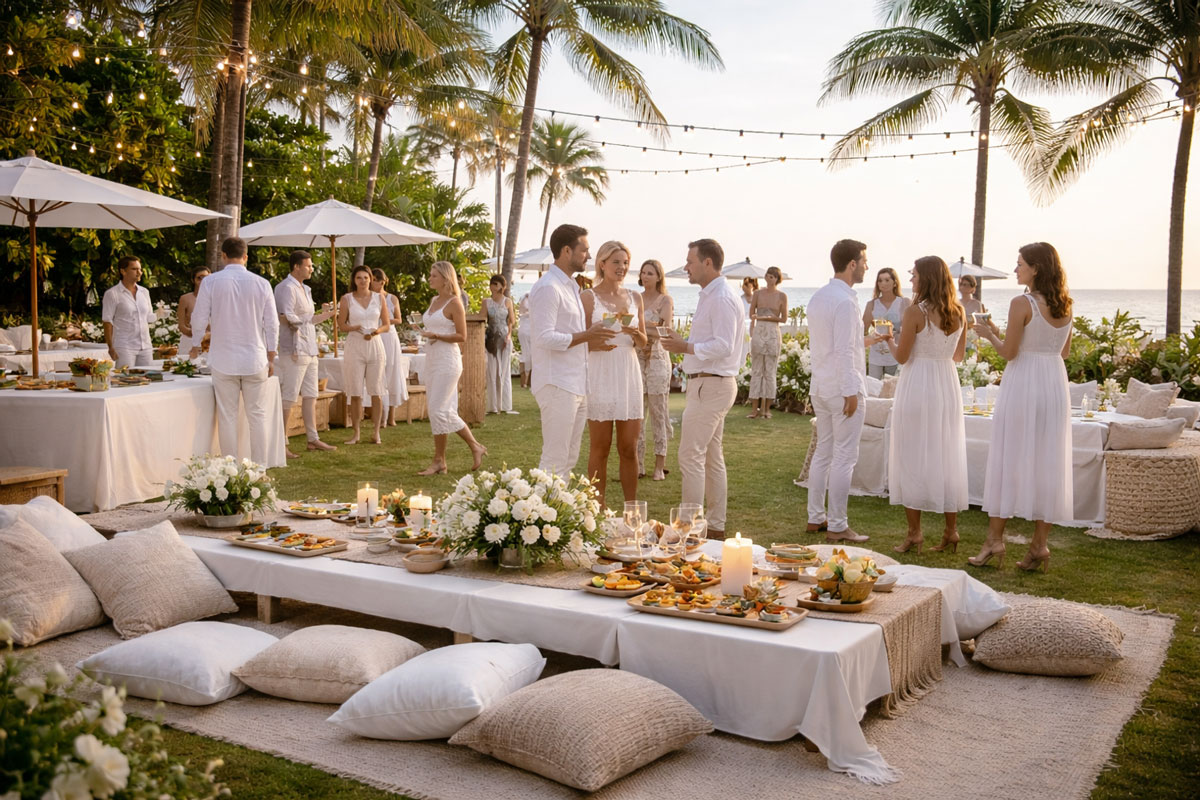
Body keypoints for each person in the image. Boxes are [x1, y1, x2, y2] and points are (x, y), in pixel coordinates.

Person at [970, 243, 1074, 573]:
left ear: (1036, 269)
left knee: (1008, 457)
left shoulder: (1021, 302)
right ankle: (1039, 546)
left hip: (1023, 385)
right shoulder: (1067, 305)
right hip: (1053, 386)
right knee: (1048, 462)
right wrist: (999, 332)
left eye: (1020, 265)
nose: (1015, 270)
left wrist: (987, 335)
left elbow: (1010, 353)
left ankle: (994, 541)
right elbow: (1063, 352)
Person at [884, 256, 968, 554]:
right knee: (947, 454)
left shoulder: (914, 312)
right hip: (946, 385)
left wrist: (889, 340)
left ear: (927, 279)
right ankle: (951, 531)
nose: (911, 280)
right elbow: (958, 357)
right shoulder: (959, 312)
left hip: (918, 385)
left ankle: (915, 533)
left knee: (912, 453)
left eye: (915, 275)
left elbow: (902, 357)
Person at [660, 239, 744, 539]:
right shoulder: (711, 295)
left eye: (690, 261)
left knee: (690, 455)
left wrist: (684, 346)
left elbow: (723, 345)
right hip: (710, 382)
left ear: (707, 263)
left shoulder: (721, 297)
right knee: (710, 455)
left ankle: (688, 526)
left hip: (712, 384)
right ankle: (716, 525)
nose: (686, 267)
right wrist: (681, 341)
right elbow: (714, 341)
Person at [805, 238, 882, 543]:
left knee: (823, 453)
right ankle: (837, 524)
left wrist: (868, 342)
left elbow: (836, 345)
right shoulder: (846, 302)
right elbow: (842, 352)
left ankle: (815, 517)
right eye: (864, 261)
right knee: (844, 457)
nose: (866, 266)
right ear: (852, 264)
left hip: (820, 387)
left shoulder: (818, 298)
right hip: (841, 388)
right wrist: (852, 391)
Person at [529, 224, 616, 477]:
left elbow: (573, 336)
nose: (589, 256)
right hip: (557, 382)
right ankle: (544, 516)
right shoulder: (548, 287)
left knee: (569, 457)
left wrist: (594, 339)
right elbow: (544, 337)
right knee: (555, 457)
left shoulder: (571, 287)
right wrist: (587, 335)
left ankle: (560, 514)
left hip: (576, 382)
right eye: (585, 250)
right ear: (566, 251)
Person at [189, 237, 278, 465]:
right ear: (246, 256)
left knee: (227, 416)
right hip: (254, 357)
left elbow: (198, 317)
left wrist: (196, 343)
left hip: (223, 358)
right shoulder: (261, 283)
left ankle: (230, 468)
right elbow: (272, 323)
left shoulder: (210, 282)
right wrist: (271, 353)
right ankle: (260, 469)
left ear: (223, 255)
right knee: (257, 415)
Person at [582, 241, 647, 509]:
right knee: (600, 446)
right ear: (602, 263)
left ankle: (631, 510)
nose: (622, 267)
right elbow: (583, 340)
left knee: (629, 447)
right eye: (616, 262)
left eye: (625, 263)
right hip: (600, 371)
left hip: (628, 372)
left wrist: (635, 333)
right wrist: (600, 336)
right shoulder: (588, 297)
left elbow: (642, 341)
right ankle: (597, 510)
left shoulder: (635, 297)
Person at [417, 260, 487, 474]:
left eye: (434, 275)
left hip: (448, 360)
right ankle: (440, 461)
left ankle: (475, 445)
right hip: (432, 358)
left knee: (439, 410)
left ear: (446, 279)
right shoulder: (433, 300)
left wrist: (437, 335)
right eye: (430, 274)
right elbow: (434, 325)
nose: (430, 278)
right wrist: (423, 330)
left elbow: (462, 336)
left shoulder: (455, 303)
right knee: (438, 409)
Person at [275, 250, 337, 457]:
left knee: (311, 394)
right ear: (296, 267)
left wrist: (326, 314)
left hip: (310, 348)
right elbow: (286, 316)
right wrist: (304, 319)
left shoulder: (306, 289)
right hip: (293, 348)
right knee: (289, 396)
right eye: (309, 265)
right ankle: (280, 443)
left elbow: (307, 319)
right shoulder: (285, 288)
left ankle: (313, 438)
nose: (312, 268)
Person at [337, 265, 389, 445]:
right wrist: (355, 328)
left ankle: (376, 432)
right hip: (355, 345)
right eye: (359, 278)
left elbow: (387, 325)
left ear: (371, 279)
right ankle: (356, 433)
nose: (362, 281)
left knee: (377, 390)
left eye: (366, 278)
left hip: (375, 345)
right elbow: (341, 325)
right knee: (356, 392)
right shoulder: (347, 299)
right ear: (354, 280)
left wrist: (376, 331)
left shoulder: (379, 298)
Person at [636, 259, 675, 481]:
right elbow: (630, 328)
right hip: (638, 358)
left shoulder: (665, 300)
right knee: (637, 413)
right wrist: (647, 328)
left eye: (650, 273)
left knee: (659, 413)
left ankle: (660, 465)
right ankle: (638, 464)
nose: (645, 276)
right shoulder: (636, 298)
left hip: (658, 359)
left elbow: (664, 330)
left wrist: (643, 327)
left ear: (659, 276)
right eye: (643, 272)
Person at [747, 266, 788, 419]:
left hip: (773, 332)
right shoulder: (757, 293)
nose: (769, 278)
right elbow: (751, 313)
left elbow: (784, 319)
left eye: (772, 276)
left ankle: (766, 409)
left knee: (770, 371)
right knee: (757, 370)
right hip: (759, 332)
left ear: (777, 279)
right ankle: (754, 409)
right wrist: (757, 322)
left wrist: (768, 318)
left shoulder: (782, 296)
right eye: (768, 275)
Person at [371, 268, 407, 427]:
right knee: (378, 373)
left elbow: (398, 319)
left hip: (389, 337)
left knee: (392, 372)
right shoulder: (368, 298)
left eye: (374, 280)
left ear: (382, 281)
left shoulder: (392, 298)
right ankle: (380, 416)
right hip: (375, 335)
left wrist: (384, 319)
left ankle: (391, 415)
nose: (372, 284)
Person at [102, 256, 153, 367]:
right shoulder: (112, 294)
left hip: (146, 346)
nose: (139, 272)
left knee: (148, 381)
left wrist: (160, 314)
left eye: (140, 269)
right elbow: (107, 321)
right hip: (124, 346)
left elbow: (149, 318)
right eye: (134, 269)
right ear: (123, 271)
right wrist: (110, 347)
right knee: (125, 381)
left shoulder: (144, 292)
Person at [863, 267, 910, 378]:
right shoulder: (872, 304)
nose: (883, 283)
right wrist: (870, 338)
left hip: (896, 356)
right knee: (874, 390)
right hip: (876, 356)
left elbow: (909, 331)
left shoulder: (904, 303)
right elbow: (863, 330)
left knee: (893, 391)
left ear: (895, 283)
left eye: (887, 280)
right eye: (880, 280)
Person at [484, 274, 517, 414]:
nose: (493, 286)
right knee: (492, 371)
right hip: (490, 339)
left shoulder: (507, 301)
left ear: (502, 287)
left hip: (504, 338)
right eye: (492, 283)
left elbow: (512, 320)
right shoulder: (486, 302)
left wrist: (508, 335)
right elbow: (482, 318)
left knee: (504, 370)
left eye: (496, 284)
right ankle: (493, 406)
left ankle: (504, 405)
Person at [177, 266, 210, 356]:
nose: (203, 281)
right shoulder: (185, 299)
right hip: (189, 341)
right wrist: (195, 333)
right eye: (199, 278)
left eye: (206, 278)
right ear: (193, 280)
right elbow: (181, 325)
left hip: (208, 342)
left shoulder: (214, 299)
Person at [517, 293, 533, 389]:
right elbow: (522, 312)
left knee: (531, 355)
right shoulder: (524, 303)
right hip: (524, 332)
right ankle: (524, 381)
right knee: (526, 355)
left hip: (531, 332)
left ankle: (530, 380)